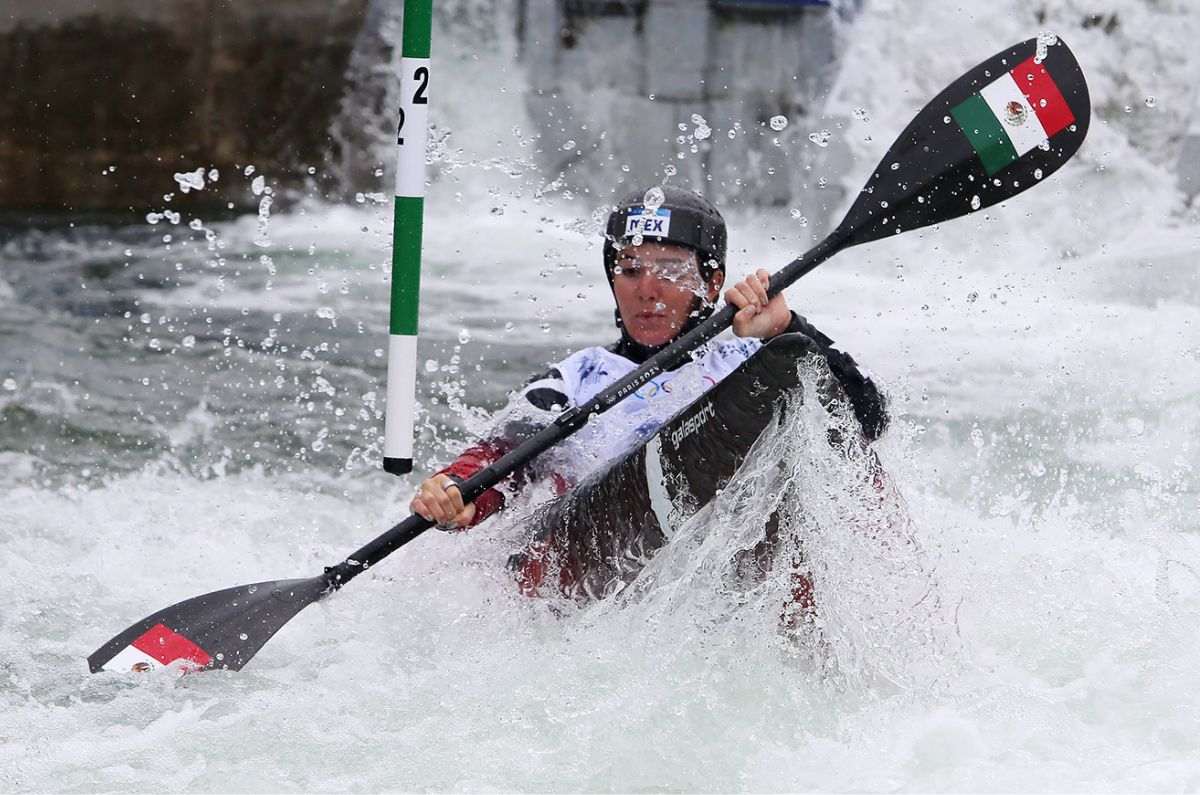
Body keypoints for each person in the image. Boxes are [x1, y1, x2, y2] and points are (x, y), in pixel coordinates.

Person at [411, 186, 888, 597]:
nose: (647, 290)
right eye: (630, 269)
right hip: (598, 591)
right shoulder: (574, 380)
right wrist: (457, 493)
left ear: (712, 283)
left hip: (737, 587)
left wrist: (787, 326)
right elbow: (500, 459)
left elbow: (868, 421)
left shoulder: (755, 364)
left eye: (672, 270)